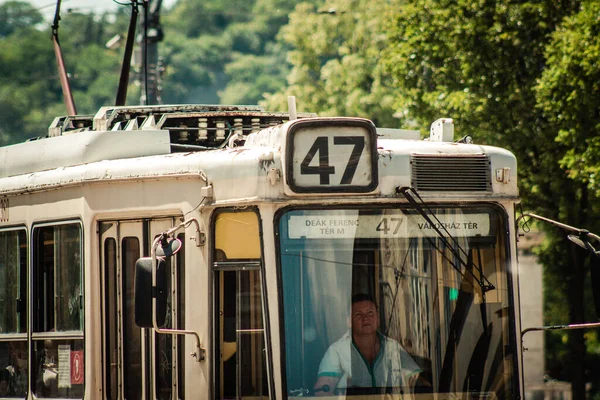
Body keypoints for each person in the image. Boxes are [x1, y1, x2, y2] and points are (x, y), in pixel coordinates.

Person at [313, 293, 422, 395]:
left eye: (370, 313)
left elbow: (415, 380)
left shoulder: (393, 347)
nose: (366, 318)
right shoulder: (336, 351)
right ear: (349, 321)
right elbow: (323, 391)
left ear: (378, 318)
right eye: (358, 315)